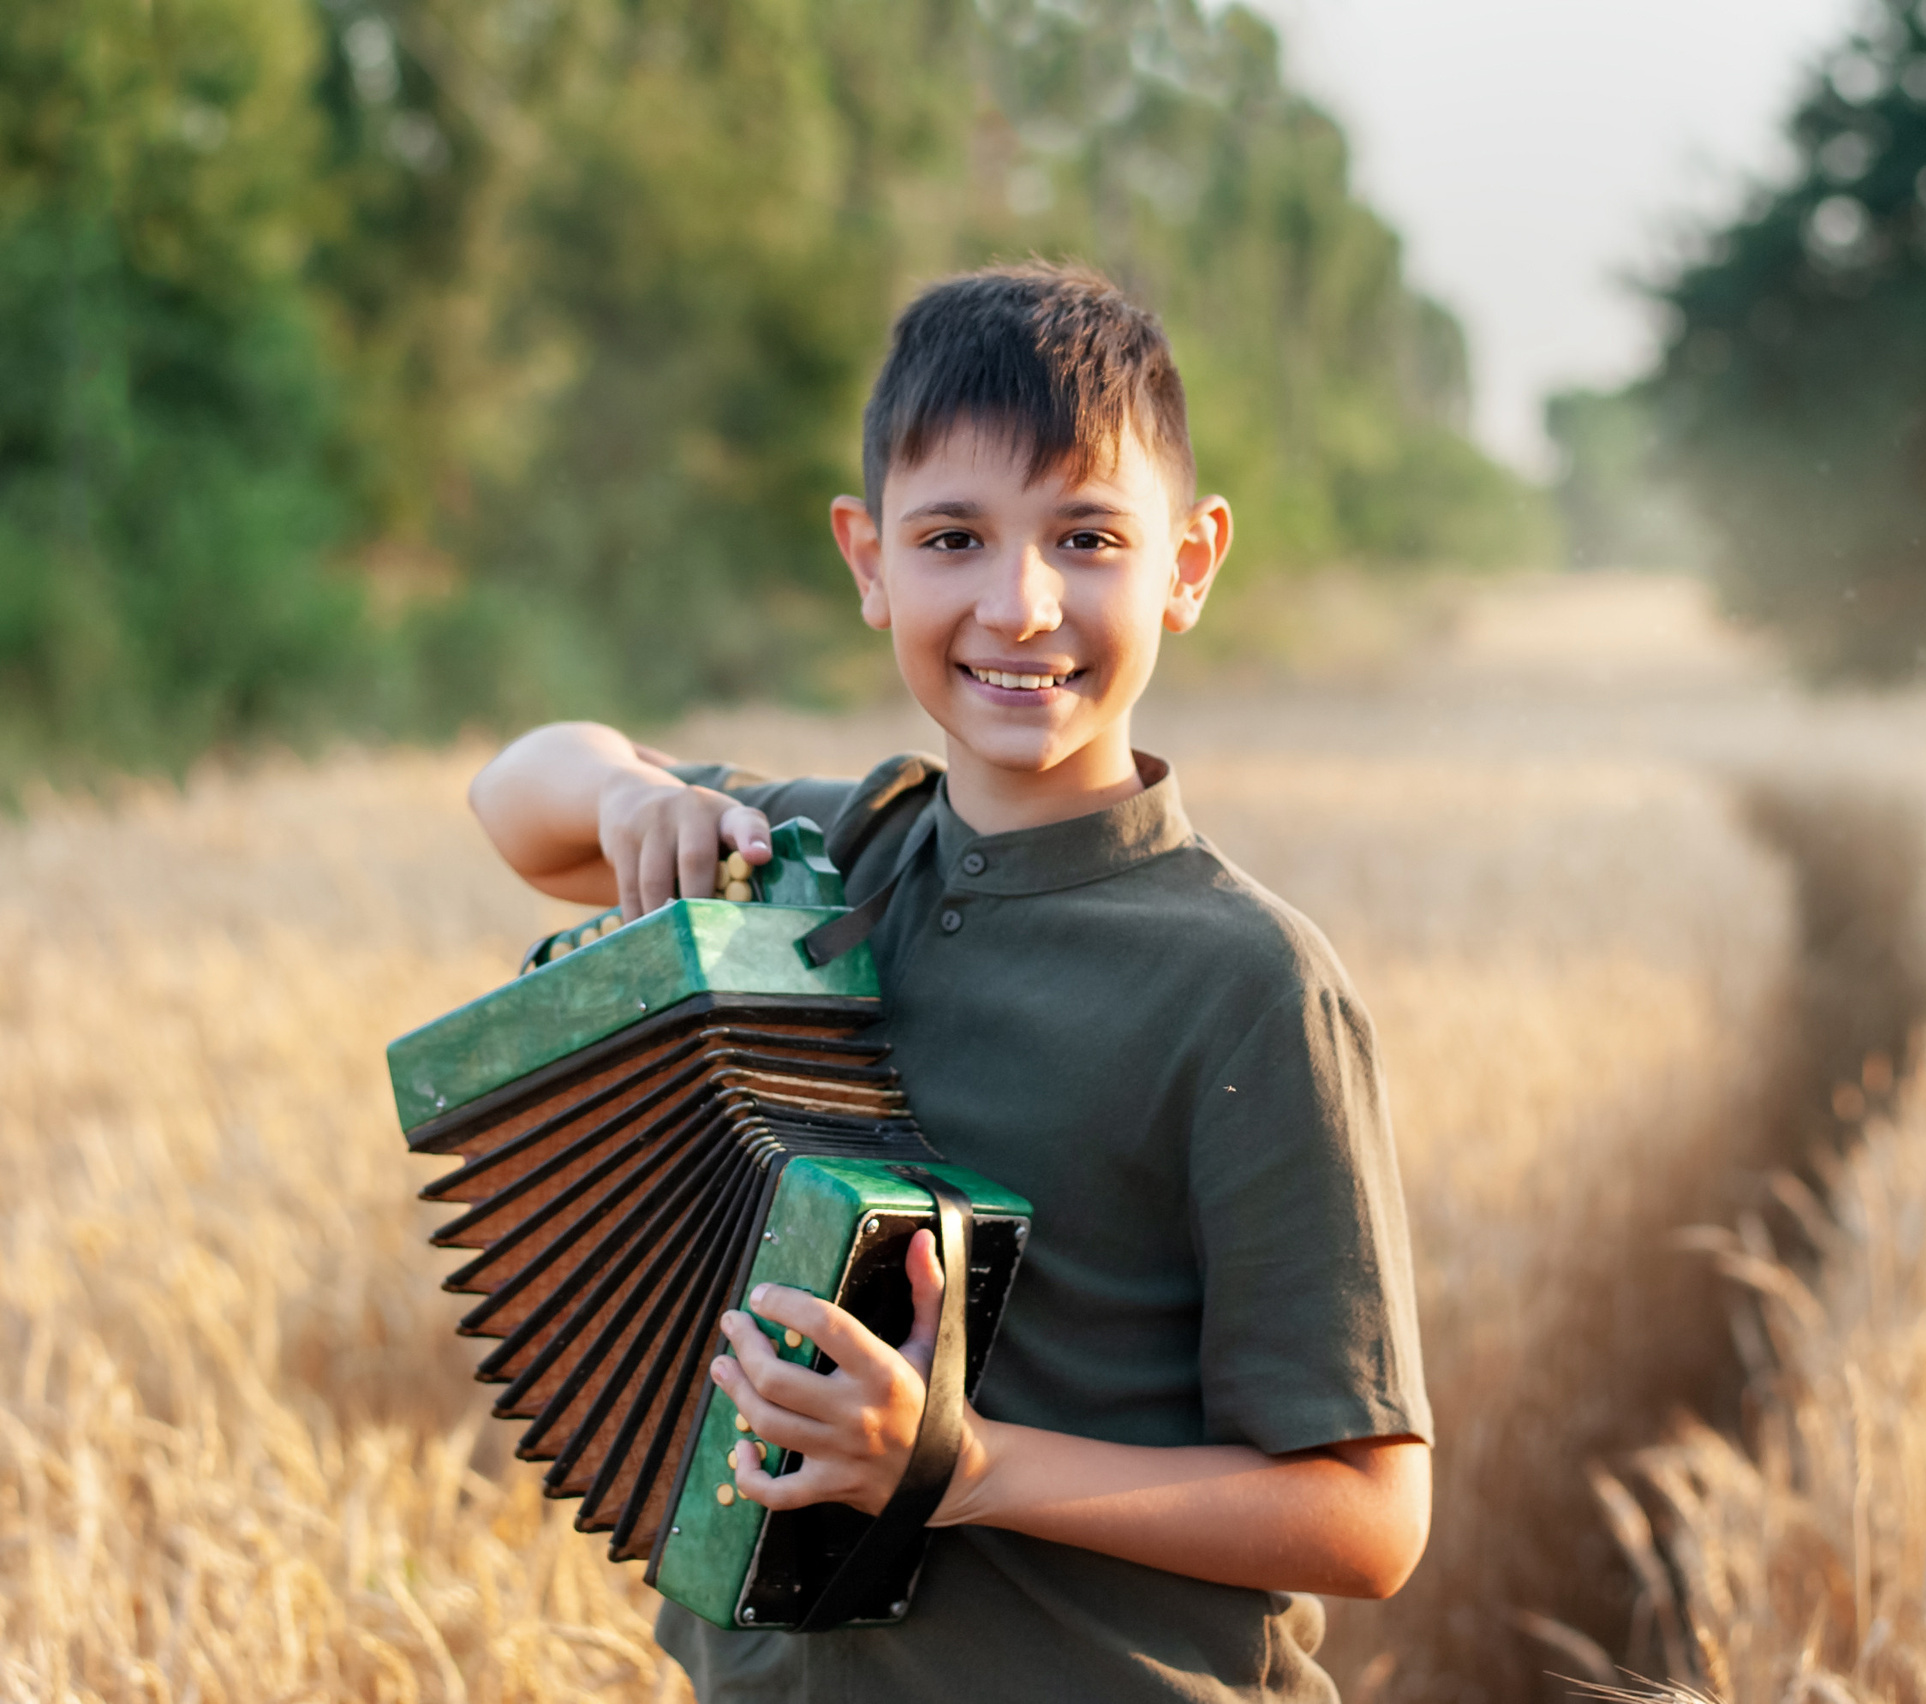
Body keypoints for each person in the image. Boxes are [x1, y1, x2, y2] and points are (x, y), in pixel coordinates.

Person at [464, 263, 1432, 1703]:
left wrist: (964, 1468)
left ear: (1191, 562)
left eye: (1088, 537)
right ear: (869, 561)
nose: (1019, 603)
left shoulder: (1246, 983)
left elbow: (1368, 1517)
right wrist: (625, 794)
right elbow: (512, 798)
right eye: (954, 537)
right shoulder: (822, 853)